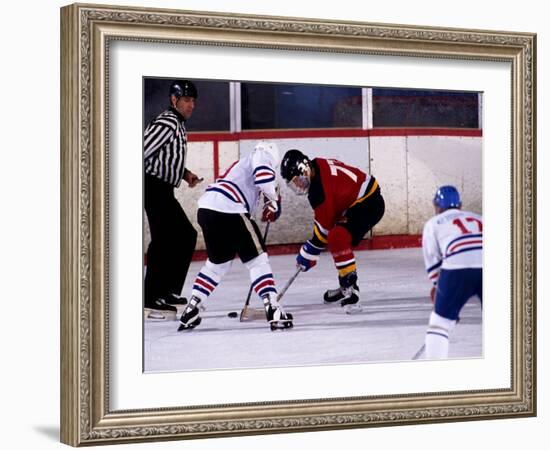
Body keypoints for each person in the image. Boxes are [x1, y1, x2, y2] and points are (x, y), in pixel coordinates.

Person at [177, 141, 293, 332]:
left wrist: (269, 202)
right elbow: (264, 178)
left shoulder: (244, 166)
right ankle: (273, 308)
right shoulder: (262, 155)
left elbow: (257, 193)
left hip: (207, 209)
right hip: (230, 209)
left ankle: (192, 308)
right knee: (257, 260)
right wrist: (273, 198)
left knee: (216, 265)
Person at [280, 149, 385, 313]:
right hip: (361, 200)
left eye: (297, 180)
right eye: (294, 184)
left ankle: (351, 288)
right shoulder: (317, 163)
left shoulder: (318, 192)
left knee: (337, 237)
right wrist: (312, 248)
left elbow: (323, 232)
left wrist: (309, 251)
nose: (298, 186)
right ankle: (345, 285)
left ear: (304, 169)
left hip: (368, 203)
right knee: (337, 234)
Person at [143, 80, 202, 320]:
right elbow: (143, 150)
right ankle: (149, 297)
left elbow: (166, 156)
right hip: (151, 186)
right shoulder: (167, 122)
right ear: (174, 100)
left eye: (193, 101)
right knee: (163, 239)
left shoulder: (177, 124)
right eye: (186, 100)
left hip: (163, 188)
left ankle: (166, 291)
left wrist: (185, 174)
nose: (191, 105)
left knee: (185, 235)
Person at [421, 185, 483, 359]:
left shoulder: (433, 223)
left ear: (437, 206)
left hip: (456, 268)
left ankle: (436, 377)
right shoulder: (479, 218)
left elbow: (432, 260)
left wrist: (439, 289)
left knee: (439, 324)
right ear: (460, 205)